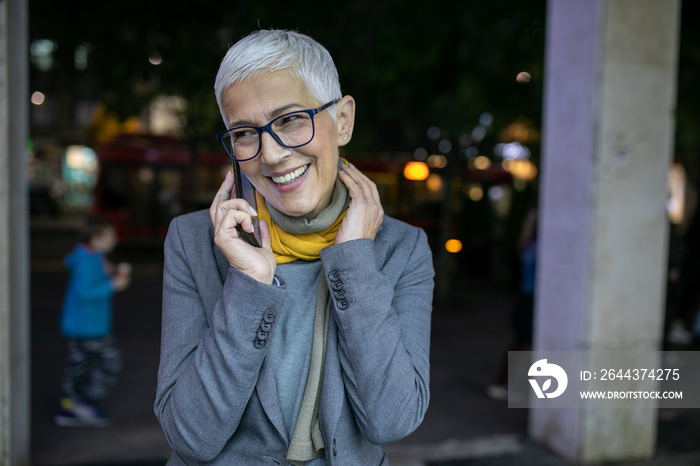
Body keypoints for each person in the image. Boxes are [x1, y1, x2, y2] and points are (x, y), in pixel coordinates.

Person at [154, 29, 435, 465]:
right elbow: (190, 436)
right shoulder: (193, 241)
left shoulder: (403, 248)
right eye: (245, 133)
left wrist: (356, 262)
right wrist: (249, 282)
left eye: (290, 120)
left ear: (342, 121)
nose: (270, 154)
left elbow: (392, 420)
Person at [54, 214, 131, 426]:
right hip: (88, 327)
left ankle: (69, 407)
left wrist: (110, 273)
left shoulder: (91, 255)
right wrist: (113, 285)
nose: (115, 239)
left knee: (78, 366)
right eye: (111, 236)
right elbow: (84, 292)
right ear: (96, 238)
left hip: (83, 325)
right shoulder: (88, 260)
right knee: (110, 362)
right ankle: (83, 402)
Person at [488, 208, 537, 400]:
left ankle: (506, 383)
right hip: (531, 299)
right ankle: (501, 382)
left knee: (522, 342)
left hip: (525, 297)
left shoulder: (527, 244)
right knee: (523, 343)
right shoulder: (536, 246)